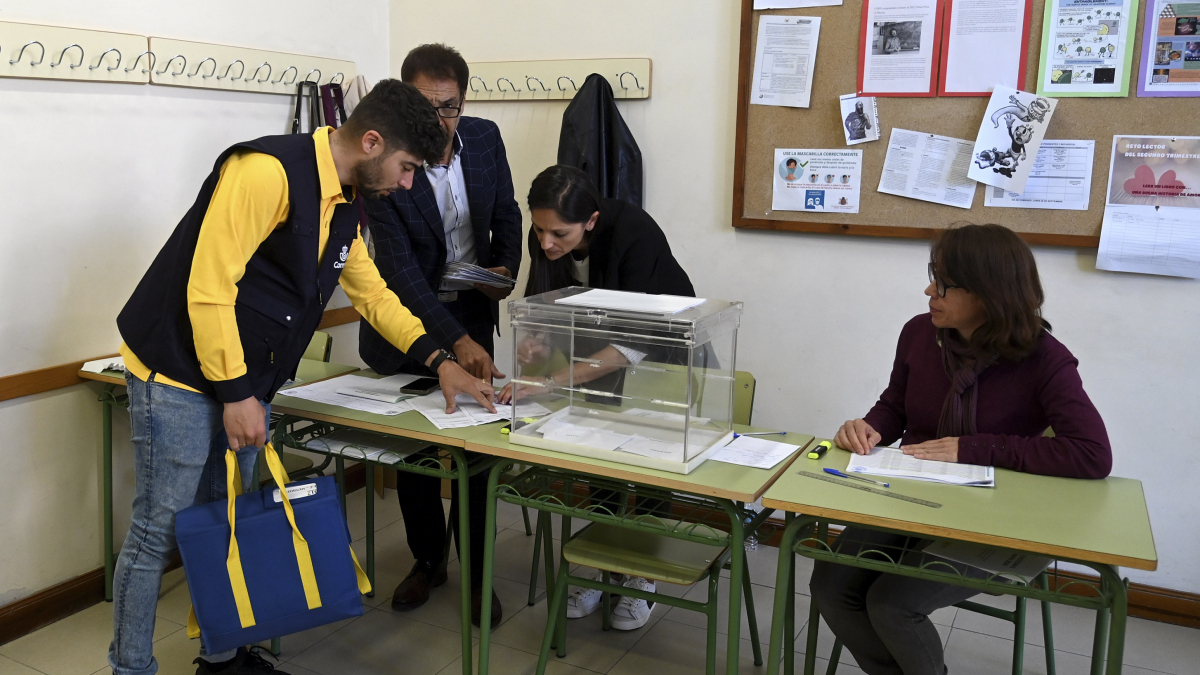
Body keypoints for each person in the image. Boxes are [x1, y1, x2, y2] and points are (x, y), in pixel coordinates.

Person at [110, 79, 496, 675]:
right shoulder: (265, 172)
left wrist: (440, 361)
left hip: (244, 377)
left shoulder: (343, 199)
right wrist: (237, 394)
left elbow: (374, 296)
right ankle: (129, 667)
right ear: (371, 141)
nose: (407, 182)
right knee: (158, 528)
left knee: (227, 517)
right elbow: (208, 289)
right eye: (407, 167)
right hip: (178, 373)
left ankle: (224, 658)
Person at [812, 223, 1112, 675]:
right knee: (830, 586)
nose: (929, 289)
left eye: (945, 283)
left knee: (892, 605)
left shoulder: (1045, 358)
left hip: (994, 519)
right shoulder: (919, 334)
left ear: (989, 294)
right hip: (911, 497)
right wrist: (868, 428)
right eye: (934, 275)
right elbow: (895, 405)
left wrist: (974, 448)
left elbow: (1091, 454)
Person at [358, 44, 522, 629]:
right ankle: (428, 561)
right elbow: (399, 273)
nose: (440, 121)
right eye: (427, 109)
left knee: (476, 446)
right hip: (413, 324)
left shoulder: (484, 138)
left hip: (474, 310)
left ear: (464, 100)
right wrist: (453, 342)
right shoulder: (387, 168)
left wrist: (505, 271)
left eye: (449, 106)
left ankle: (478, 571)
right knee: (418, 451)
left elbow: (506, 211)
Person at [498, 164, 694, 631]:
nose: (546, 243)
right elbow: (543, 302)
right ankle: (602, 567)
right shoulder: (545, 235)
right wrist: (536, 342)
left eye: (558, 233)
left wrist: (553, 380)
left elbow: (635, 338)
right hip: (592, 357)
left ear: (591, 220)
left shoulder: (634, 234)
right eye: (539, 229)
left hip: (660, 355)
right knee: (599, 464)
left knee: (647, 470)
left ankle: (638, 575)